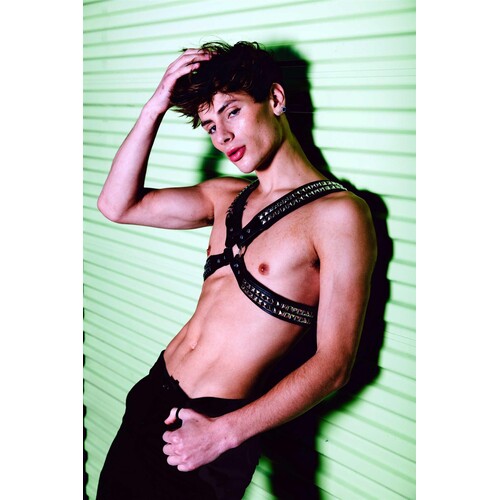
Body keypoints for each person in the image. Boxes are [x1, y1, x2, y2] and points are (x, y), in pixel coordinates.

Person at [95, 41, 377, 500]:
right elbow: (116, 205)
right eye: (210, 125)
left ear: (276, 99)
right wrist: (155, 107)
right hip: (151, 395)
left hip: (211, 426)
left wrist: (223, 434)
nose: (222, 137)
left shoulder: (338, 214)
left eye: (233, 111)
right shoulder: (225, 196)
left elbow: (335, 363)